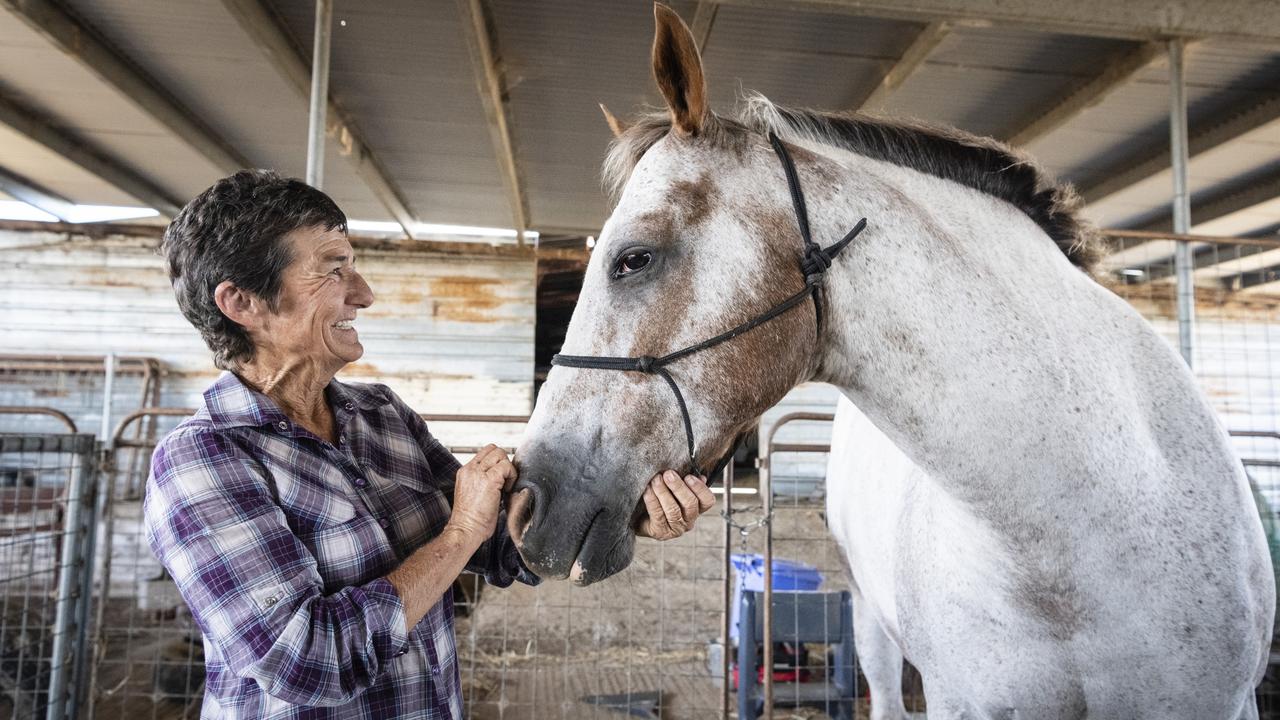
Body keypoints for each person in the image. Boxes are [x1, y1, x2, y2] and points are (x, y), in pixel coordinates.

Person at [144, 170, 716, 719]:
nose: (363, 294)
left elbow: (498, 545)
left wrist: (626, 511)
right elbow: (308, 662)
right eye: (333, 270)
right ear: (242, 303)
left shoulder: (381, 415)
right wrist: (459, 532)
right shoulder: (201, 462)